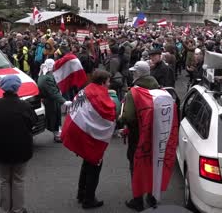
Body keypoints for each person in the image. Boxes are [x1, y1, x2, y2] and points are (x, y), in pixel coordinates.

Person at [62, 70, 116, 209]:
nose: (109, 84)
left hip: (79, 130)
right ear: (103, 82)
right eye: (108, 82)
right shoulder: (99, 94)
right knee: (94, 163)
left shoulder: (86, 89)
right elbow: (108, 113)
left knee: (87, 162)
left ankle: (81, 193)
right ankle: (89, 199)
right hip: (89, 136)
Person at [0, 75, 38, 213]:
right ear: (17, 87)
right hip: (21, 149)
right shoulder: (25, 106)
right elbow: (32, 122)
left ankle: (5, 209)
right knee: (18, 180)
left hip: (0, 149)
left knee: (4, 180)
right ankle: (18, 209)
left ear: (2, 87)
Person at [121, 61, 160, 211]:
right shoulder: (158, 88)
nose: (132, 74)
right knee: (152, 163)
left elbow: (129, 117)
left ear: (138, 74)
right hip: (155, 131)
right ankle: (151, 196)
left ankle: (137, 200)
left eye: (134, 72)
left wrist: (120, 118)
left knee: (136, 165)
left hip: (138, 133)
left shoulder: (134, 92)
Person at [37, 59, 71, 143]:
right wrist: (64, 101)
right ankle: (57, 135)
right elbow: (53, 92)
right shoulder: (47, 78)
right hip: (50, 101)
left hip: (51, 100)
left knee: (55, 117)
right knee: (54, 117)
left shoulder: (46, 75)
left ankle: (58, 133)